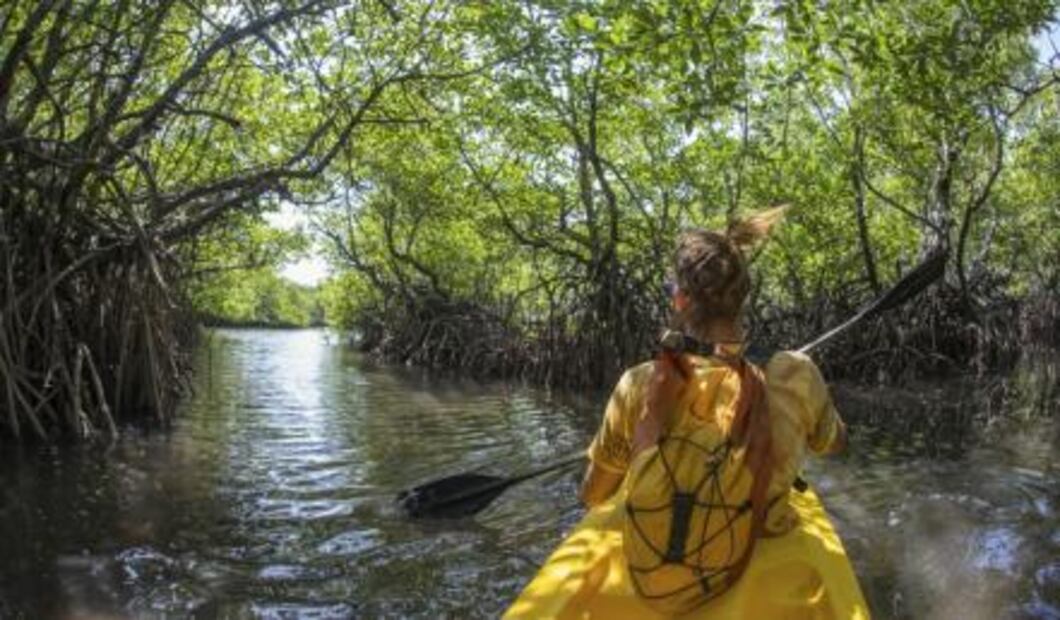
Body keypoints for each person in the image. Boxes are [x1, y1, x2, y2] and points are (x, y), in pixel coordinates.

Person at [578, 207, 846, 537]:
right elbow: (832, 444)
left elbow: (594, 495)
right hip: (762, 542)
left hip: (658, 562)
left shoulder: (638, 383)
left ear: (679, 299)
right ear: (745, 295)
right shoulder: (796, 372)